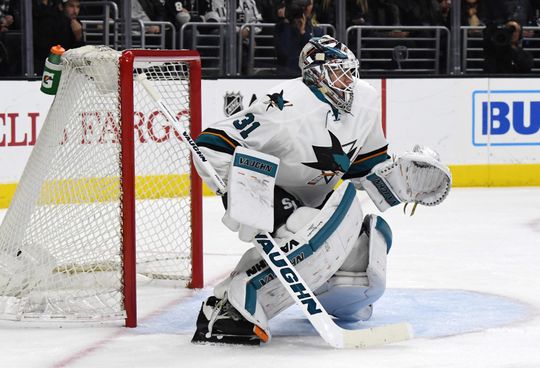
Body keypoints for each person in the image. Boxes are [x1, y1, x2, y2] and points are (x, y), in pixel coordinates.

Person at [191, 35, 451, 345]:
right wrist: (242, 194)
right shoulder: (284, 105)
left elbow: (363, 167)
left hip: (319, 203)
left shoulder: (365, 101)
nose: (349, 80)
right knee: (302, 224)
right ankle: (227, 307)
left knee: (366, 249)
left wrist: (399, 180)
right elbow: (210, 145)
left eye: (351, 71)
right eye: (339, 71)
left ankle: (329, 294)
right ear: (316, 73)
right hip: (272, 196)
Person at [33, 0, 85, 75]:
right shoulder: (50, 22)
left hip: (65, 68)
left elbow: (78, 54)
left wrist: (78, 36)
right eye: (71, 6)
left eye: (77, 7)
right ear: (61, 7)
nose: (75, 11)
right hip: (48, 67)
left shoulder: (76, 23)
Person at [274, 0, 322, 76]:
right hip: (285, 76)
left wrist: (303, 33)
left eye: (307, 4)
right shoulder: (281, 28)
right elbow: (283, 53)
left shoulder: (316, 30)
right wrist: (285, 21)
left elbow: (317, 56)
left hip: (308, 76)